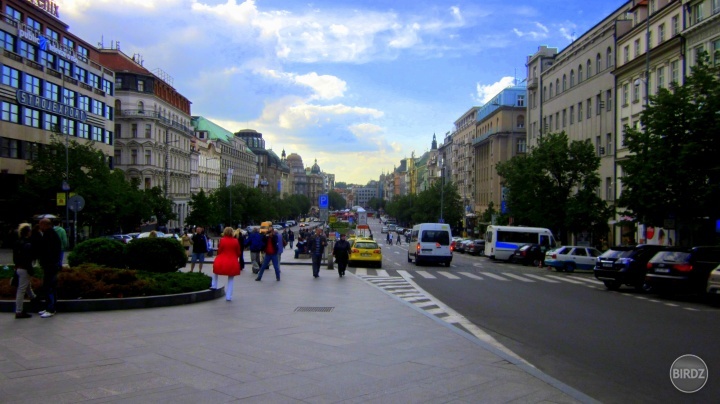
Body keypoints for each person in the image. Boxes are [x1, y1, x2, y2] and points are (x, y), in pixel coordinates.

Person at [34, 218, 61, 318]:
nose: (40, 227)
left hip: (50, 265)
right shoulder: (51, 234)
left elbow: (47, 251)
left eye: (41, 225)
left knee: (49, 286)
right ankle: (49, 307)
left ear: (45, 225)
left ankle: (51, 308)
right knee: (50, 286)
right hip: (51, 264)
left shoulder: (49, 235)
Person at [211, 227, 242, 301]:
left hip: (221, 260)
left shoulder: (222, 240)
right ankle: (228, 296)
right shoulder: (236, 241)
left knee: (215, 272)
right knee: (231, 279)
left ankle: (214, 285)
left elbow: (219, 250)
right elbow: (238, 252)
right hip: (232, 262)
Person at [13, 223, 37, 318]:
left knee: (26, 286)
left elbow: (15, 257)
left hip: (19, 267)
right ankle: (19, 311)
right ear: (28, 232)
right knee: (21, 289)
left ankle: (33, 297)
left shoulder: (17, 242)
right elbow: (28, 258)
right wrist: (30, 269)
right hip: (25, 268)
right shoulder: (27, 244)